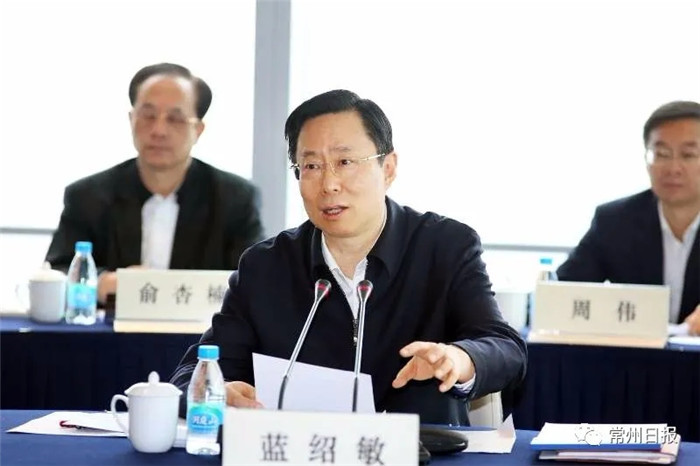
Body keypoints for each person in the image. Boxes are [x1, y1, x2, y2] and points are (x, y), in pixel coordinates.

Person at [170, 89, 527, 424]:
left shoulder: (444, 247)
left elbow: (505, 348)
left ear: (388, 168)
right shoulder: (266, 267)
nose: (329, 184)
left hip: (418, 452)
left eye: (345, 161)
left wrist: (460, 359)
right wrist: (218, 391)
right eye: (311, 166)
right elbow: (193, 373)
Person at [45, 63, 264, 303]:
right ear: (131, 119)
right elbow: (56, 273)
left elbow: (255, 280)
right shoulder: (88, 196)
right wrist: (100, 282)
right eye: (148, 116)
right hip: (112, 325)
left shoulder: (234, 199)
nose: (159, 130)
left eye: (175, 119)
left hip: (202, 326)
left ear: (198, 130)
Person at [557, 100, 700, 333]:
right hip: (633, 354)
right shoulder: (614, 222)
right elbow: (560, 294)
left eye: (688, 154)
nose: (673, 168)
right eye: (661, 154)